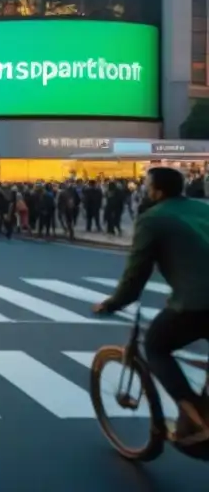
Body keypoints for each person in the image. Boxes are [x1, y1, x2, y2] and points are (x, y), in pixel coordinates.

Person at [92, 166, 209, 445]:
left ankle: (197, 416)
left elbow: (136, 274)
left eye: (147, 186)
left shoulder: (152, 220)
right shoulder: (203, 208)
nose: (145, 190)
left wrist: (113, 303)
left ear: (156, 191)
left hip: (197, 302)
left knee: (155, 345)